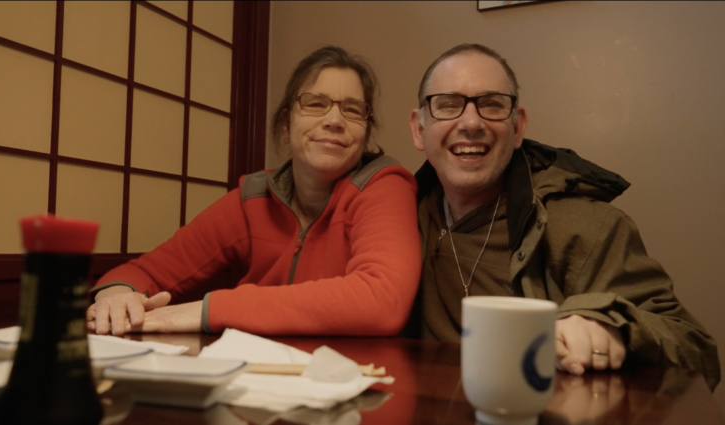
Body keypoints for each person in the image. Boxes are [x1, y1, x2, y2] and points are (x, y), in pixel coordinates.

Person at [406, 43, 720, 390]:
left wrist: (611, 325)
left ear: (518, 128)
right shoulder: (397, 216)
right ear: (419, 129)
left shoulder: (590, 228)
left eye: (492, 105)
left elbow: (698, 353)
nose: (470, 122)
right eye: (448, 105)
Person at [87, 46, 421, 337]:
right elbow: (143, 272)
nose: (335, 119)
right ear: (285, 126)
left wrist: (209, 310)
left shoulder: (383, 185)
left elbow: (383, 299)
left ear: (365, 133)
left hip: (354, 384)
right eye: (315, 103)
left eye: (352, 109)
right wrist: (116, 296)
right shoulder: (254, 197)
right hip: (256, 381)